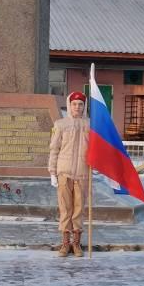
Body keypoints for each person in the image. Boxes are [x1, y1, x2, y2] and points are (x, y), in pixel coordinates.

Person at [48, 91, 90, 257]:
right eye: (74, 104)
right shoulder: (60, 124)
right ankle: (65, 244)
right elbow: (54, 149)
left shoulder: (90, 125)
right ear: (69, 105)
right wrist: (52, 172)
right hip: (64, 172)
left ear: (84, 106)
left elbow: (98, 149)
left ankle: (77, 243)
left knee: (79, 209)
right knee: (65, 209)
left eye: (80, 104)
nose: (77, 107)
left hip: (82, 173)